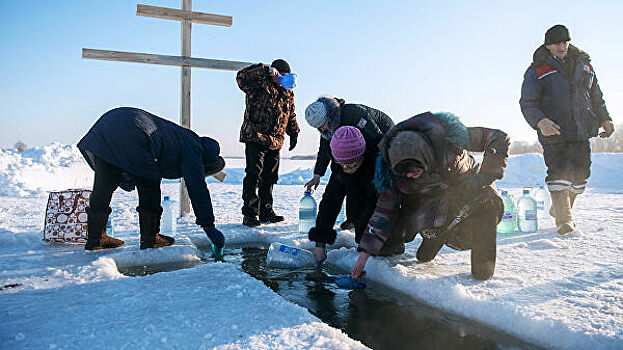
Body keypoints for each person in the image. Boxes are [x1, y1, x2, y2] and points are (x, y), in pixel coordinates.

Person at [351, 112, 510, 281]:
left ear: (424, 157)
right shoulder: (390, 170)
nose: (410, 176)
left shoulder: (449, 138)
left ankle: (482, 271)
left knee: (489, 205)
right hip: (433, 198)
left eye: (414, 171)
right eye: (405, 174)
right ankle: (434, 238)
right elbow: (384, 213)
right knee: (425, 250)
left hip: (468, 186)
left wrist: (485, 176)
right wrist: (365, 254)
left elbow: (498, 137)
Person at [77, 107, 225, 251]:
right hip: (135, 131)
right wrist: (208, 226)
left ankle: (96, 238)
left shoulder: (182, 136)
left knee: (104, 183)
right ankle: (150, 237)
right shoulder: (194, 147)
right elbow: (197, 187)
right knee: (149, 183)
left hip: (109, 122)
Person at [520, 24, 615, 235]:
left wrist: (605, 119)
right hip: (554, 130)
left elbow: (596, 97)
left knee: (582, 174)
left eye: (564, 42)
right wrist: (541, 122)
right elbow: (528, 102)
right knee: (559, 172)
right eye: (556, 43)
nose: (561, 47)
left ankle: (560, 208)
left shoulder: (585, 65)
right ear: (548, 45)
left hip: (581, 129)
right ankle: (564, 220)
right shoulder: (538, 68)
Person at [303, 96, 394, 232]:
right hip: (359, 143)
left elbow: (377, 138)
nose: (322, 128)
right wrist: (317, 175)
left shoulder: (354, 114)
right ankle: (353, 219)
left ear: (328, 115)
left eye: (323, 124)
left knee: (365, 178)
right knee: (347, 178)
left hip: (381, 136)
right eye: (319, 127)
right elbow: (324, 150)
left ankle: (374, 218)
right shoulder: (327, 128)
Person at [307, 126, 385, 264]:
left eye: (351, 164)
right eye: (341, 163)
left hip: (381, 205)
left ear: (362, 155)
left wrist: (369, 246)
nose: (346, 168)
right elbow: (329, 205)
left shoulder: (379, 165)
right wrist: (320, 244)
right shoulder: (340, 168)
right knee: (355, 219)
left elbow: (386, 207)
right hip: (357, 194)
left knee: (375, 242)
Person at [237, 59, 300, 227]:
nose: (284, 79)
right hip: (256, 136)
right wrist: (264, 70)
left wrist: (293, 132)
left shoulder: (287, 91)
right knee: (253, 174)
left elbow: (290, 112)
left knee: (270, 177)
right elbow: (241, 77)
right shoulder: (259, 82)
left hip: (275, 140)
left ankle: (266, 211)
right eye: (282, 75)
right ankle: (250, 213)